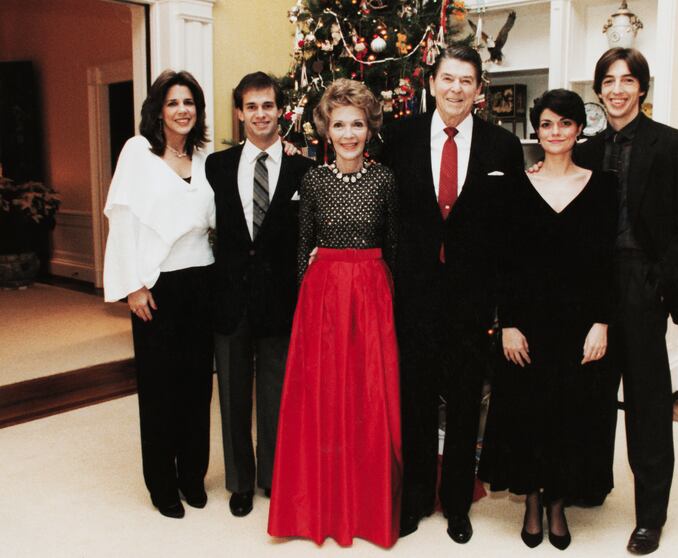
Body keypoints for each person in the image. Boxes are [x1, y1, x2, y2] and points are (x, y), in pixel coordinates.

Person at [380, 45, 525, 544]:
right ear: (431, 82)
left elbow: (510, 233)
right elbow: (375, 202)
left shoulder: (502, 147)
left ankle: (458, 502)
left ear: (480, 90)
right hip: (413, 294)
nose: (456, 88)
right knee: (415, 398)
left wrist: (504, 306)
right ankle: (418, 497)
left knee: (465, 401)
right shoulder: (396, 137)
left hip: (471, 298)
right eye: (448, 78)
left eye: (467, 80)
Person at [573, 48, 678, 555]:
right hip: (592, 286)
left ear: (642, 88)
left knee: (647, 405)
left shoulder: (676, 146)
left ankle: (650, 516)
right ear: (598, 89)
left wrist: (659, 282)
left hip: (643, 284)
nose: (616, 89)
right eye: (608, 81)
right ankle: (589, 486)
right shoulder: (584, 151)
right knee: (589, 392)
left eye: (627, 80)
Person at [478, 89, 617, 550]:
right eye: (547, 125)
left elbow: (606, 263)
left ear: (579, 130)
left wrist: (602, 322)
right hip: (528, 325)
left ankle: (558, 504)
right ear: (535, 131)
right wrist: (509, 324)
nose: (555, 133)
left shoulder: (604, 186)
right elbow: (503, 262)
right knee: (528, 414)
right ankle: (533, 502)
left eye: (565, 124)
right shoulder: (513, 187)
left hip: (579, 327)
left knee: (570, 416)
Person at [268, 79, 401, 548]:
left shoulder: (385, 179)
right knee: (322, 397)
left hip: (370, 294)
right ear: (325, 130)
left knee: (368, 395)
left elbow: (396, 248)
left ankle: (367, 506)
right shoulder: (313, 181)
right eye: (340, 124)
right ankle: (320, 505)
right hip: (322, 297)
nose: (348, 134)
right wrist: (308, 305)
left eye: (357, 124)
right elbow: (304, 249)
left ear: (370, 129)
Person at [103, 70, 214, 519]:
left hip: (202, 280)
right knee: (159, 387)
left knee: (195, 387)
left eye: (189, 102)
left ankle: (192, 475)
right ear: (158, 110)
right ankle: (162, 484)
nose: (182, 110)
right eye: (173, 103)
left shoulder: (207, 159)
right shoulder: (137, 153)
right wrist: (133, 284)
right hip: (156, 286)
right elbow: (123, 221)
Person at [205, 72, 314, 517]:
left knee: (275, 394)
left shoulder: (303, 169)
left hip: (281, 300)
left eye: (267, 105)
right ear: (240, 112)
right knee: (232, 393)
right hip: (230, 297)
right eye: (251, 107)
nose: (260, 114)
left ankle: (272, 475)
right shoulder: (216, 165)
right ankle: (240, 482)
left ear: (280, 110)